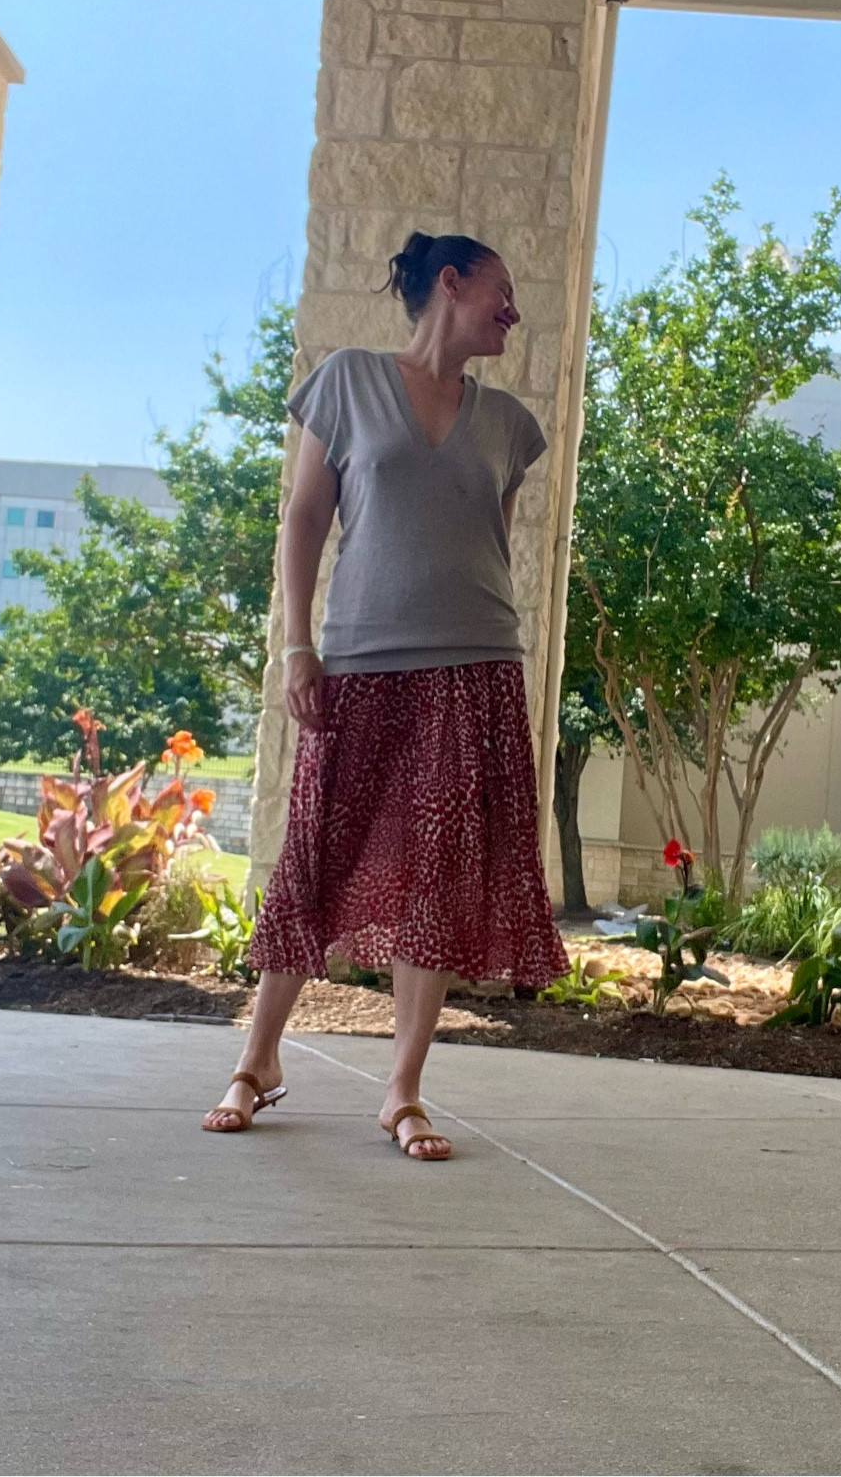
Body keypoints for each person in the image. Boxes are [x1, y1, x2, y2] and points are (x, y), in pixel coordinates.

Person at [202, 231, 569, 1161]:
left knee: (438, 877)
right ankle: (257, 1060)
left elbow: (485, 542)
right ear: (451, 283)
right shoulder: (348, 382)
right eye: (503, 290)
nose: (513, 311)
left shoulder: (509, 426)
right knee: (317, 855)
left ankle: (402, 1090)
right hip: (360, 662)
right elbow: (304, 520)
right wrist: (296, 647)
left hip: (476, 666)